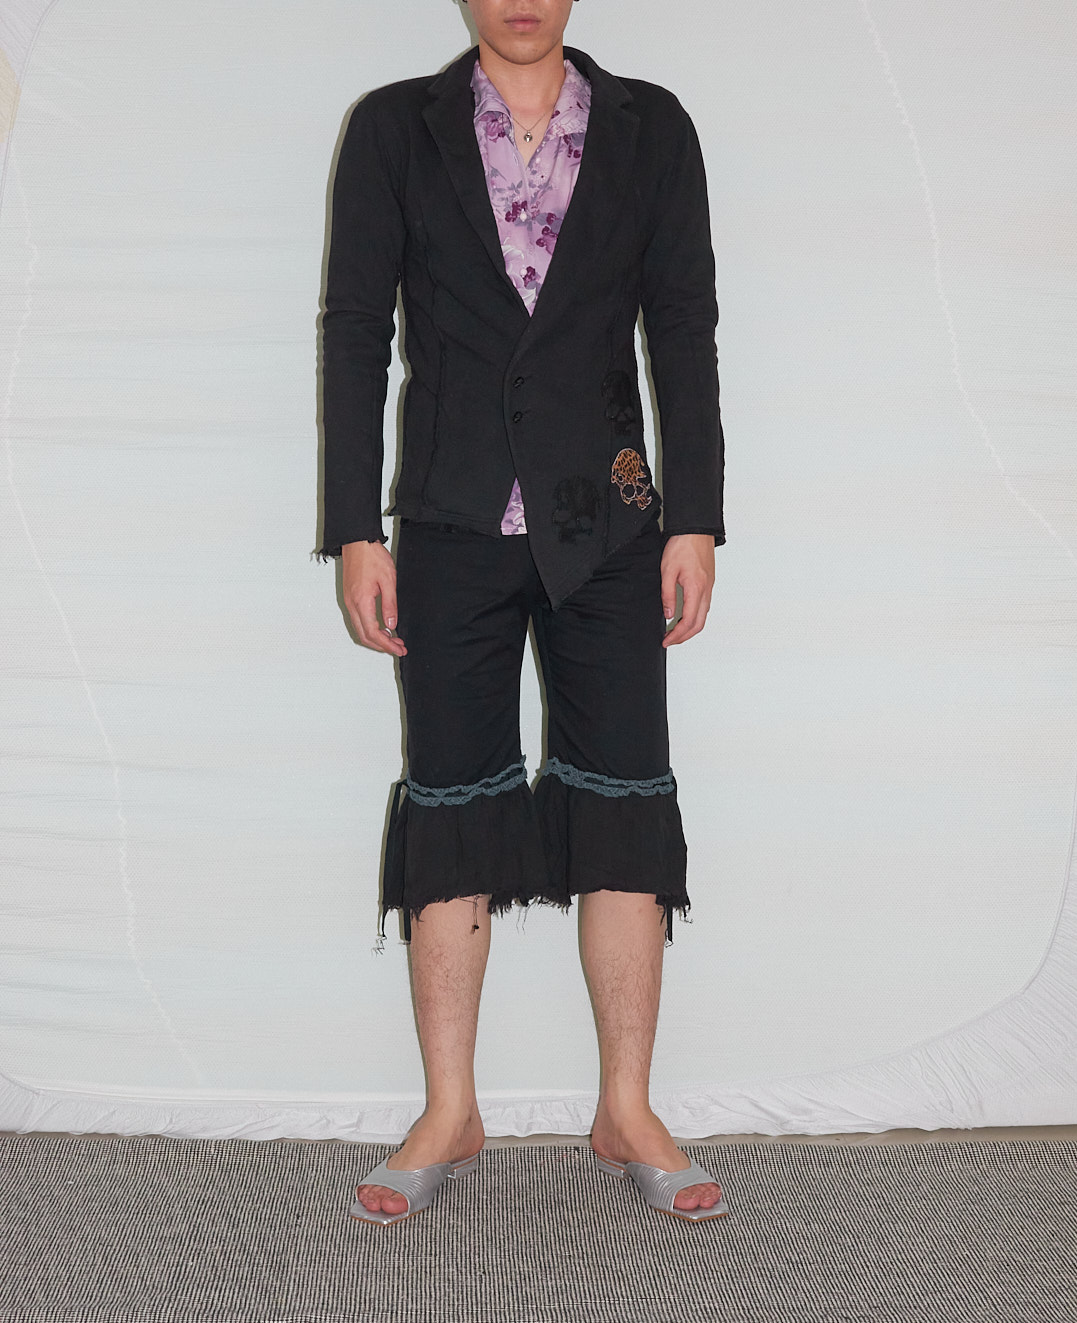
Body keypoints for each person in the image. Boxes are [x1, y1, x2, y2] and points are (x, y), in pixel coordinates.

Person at [319, 0, 728, 1225]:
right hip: (448, 519)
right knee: (451, 802)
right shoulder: (395, 128)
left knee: (625, 802)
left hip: (613, 521)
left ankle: (627, 1106)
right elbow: (357, 331)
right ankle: (450, 1109)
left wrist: (697, 517)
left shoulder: (654, 128)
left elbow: (684, 326)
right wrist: (354, 526)